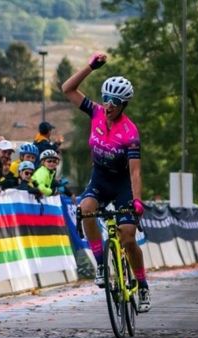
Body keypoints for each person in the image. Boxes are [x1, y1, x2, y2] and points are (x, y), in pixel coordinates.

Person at [61, 51, 150, 312]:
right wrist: (90, 67)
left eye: (115, 101)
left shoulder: (130, 133)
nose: (109, 104)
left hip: (122, 184)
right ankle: (101, 263)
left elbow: (135, 173)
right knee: (85, 210)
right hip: (100, 178)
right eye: (107, 99)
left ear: (124, 104)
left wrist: (136, 201)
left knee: (128, 238)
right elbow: (67, 89)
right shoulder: (96, 113)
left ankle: (142, 286)